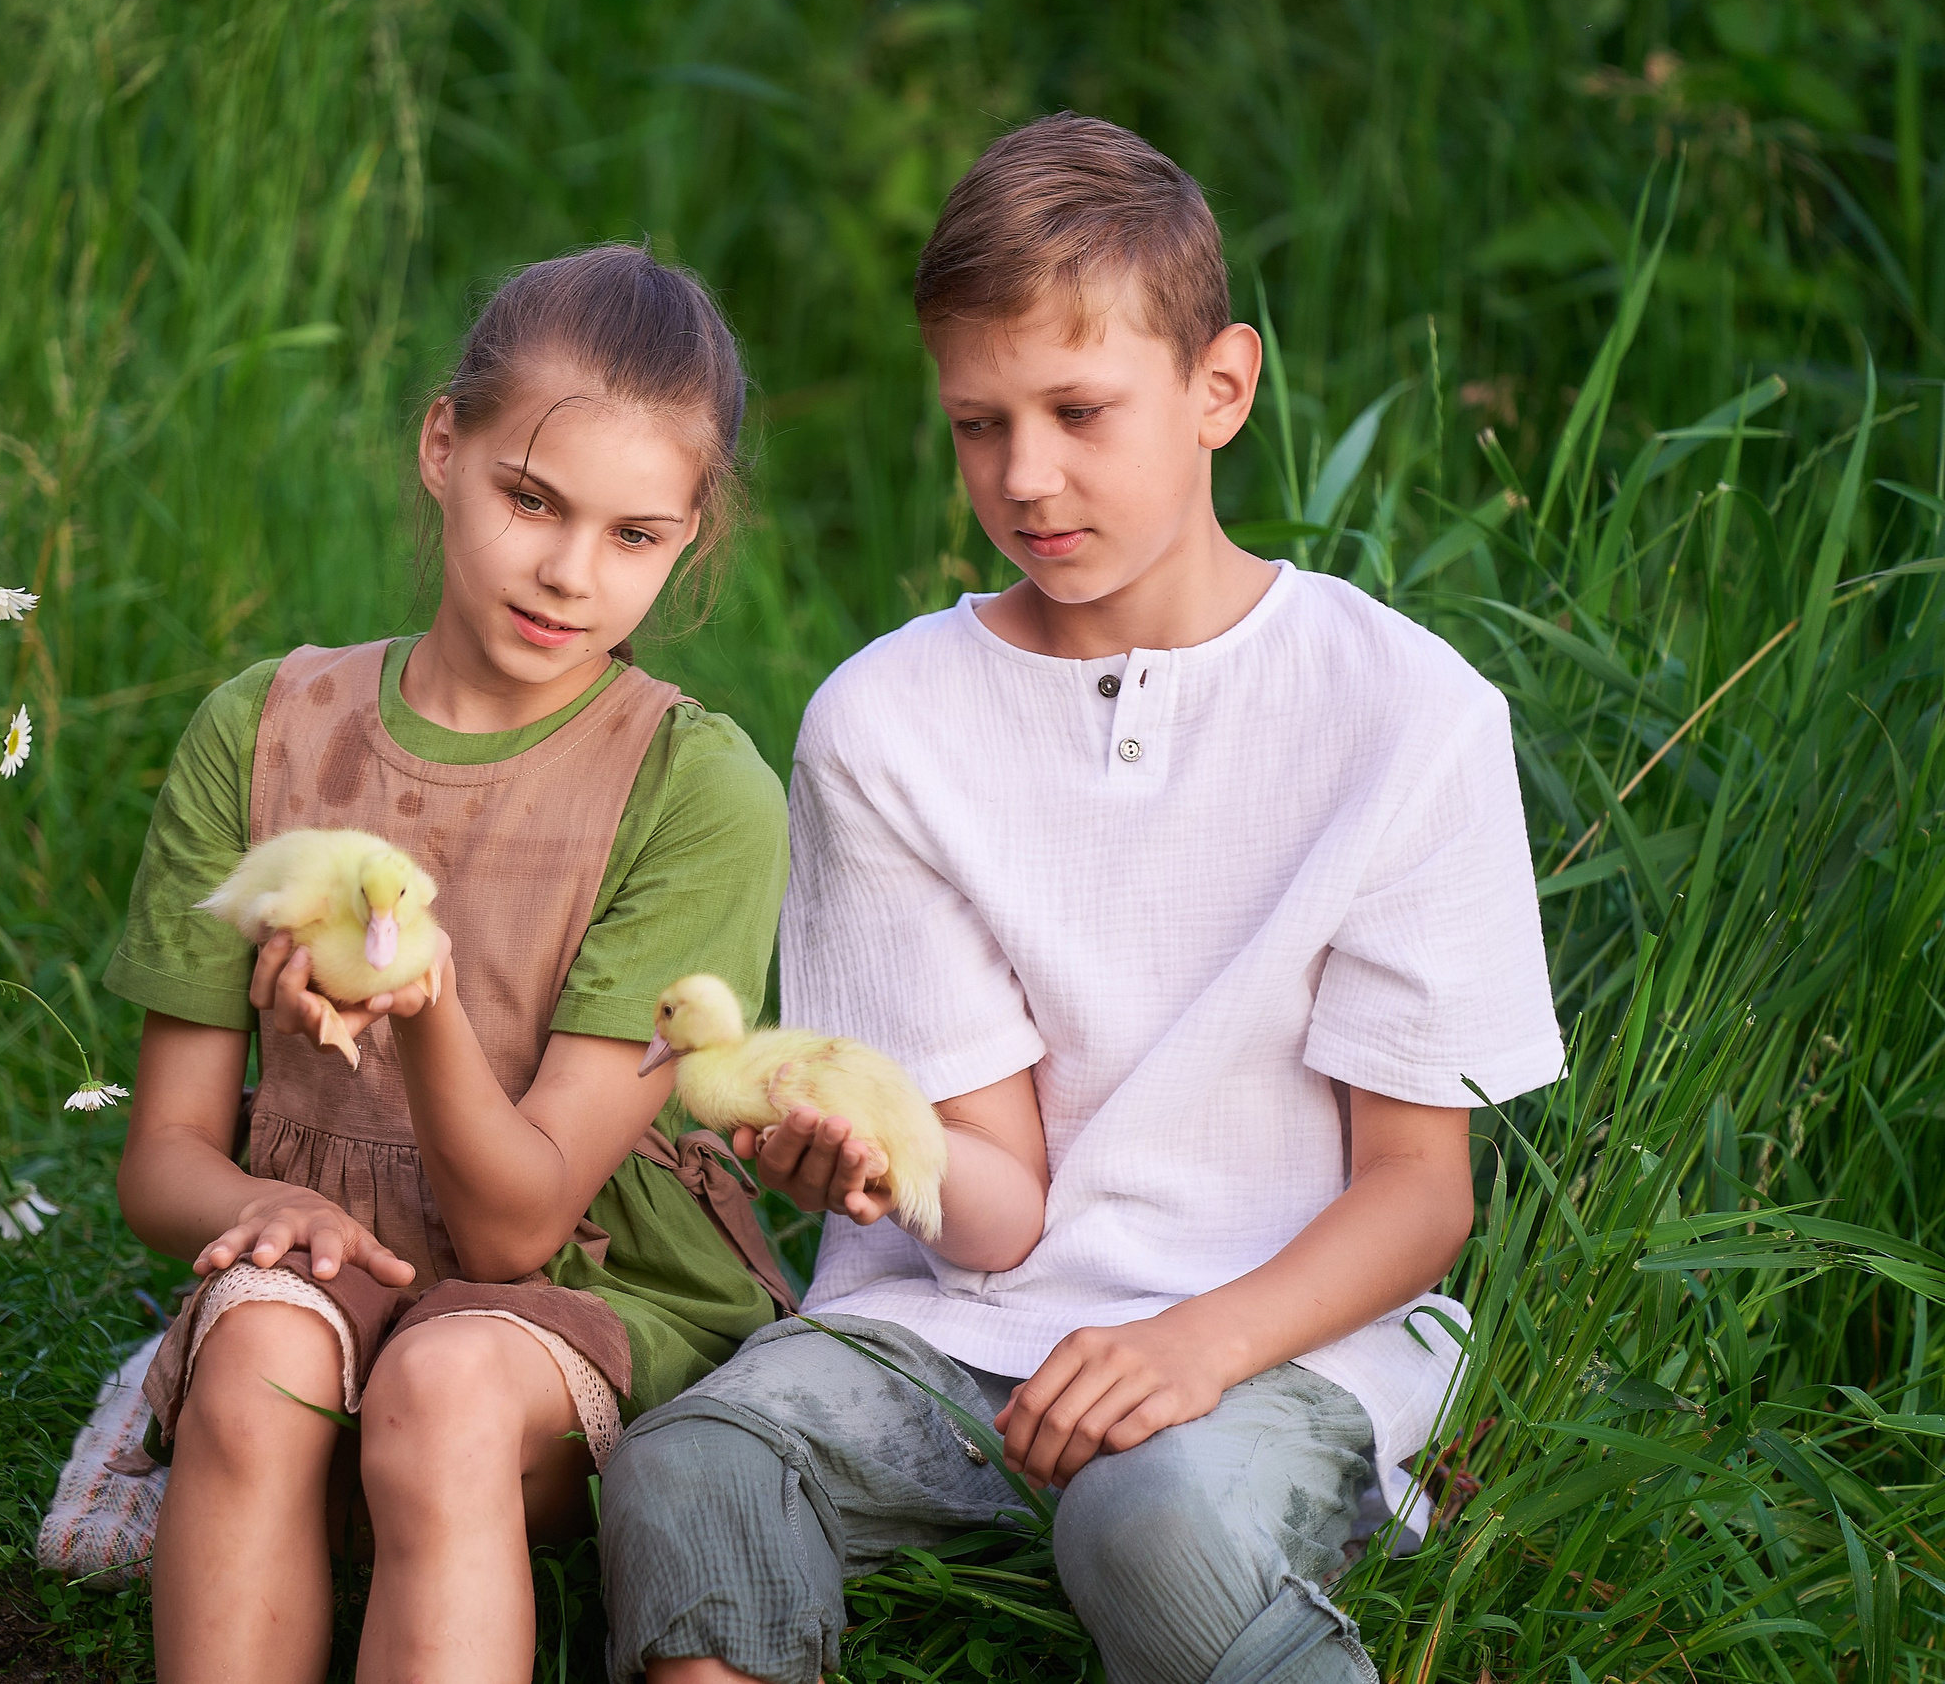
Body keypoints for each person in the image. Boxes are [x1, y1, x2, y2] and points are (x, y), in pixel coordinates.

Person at [599, 113, 1564, 1684]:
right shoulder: (886, 724)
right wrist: (864, 1170)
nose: (1026, 478)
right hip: (953, 1338)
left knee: (1145, 1518)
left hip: (1278, 1342)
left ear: (1220, 389)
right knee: (689, 1466)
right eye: (981, 424)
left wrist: (1194, 1347)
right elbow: (997, 1203)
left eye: (1078, 411)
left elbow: (1418, 1191)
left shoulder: (1406, 713)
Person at [98, 245, 792, 1684]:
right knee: (254, 1354)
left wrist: (417, 1010)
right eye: (528, 500)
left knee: (441, 1384)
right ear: (442, 445)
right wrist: (268, 1215)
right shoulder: (268, 729)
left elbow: (522, 1224)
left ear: (690, 536)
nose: (567, 573)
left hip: (581, 1302)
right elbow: (162, 1161)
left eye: (634, 537)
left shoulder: (693, 786)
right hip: (342, 1252)